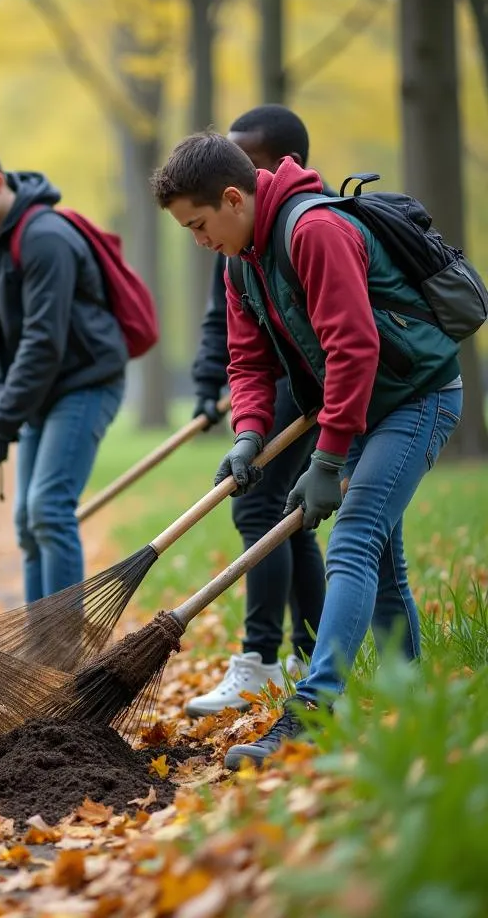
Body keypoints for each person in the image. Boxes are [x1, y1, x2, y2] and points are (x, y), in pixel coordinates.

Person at [152, 131, 461, 769]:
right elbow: (247, 360)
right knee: (380, 562)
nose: (199, 239)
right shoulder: (239, 259)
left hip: (415, 396)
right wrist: (248, 434)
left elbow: (354, 350)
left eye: (199, 224)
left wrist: (327, 459)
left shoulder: (313, 231)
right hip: (364, 405)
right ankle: (415, 706)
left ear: (234, 198)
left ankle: (312, 713)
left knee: (352, 539)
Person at [0, 139, 126, 605]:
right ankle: (41, 647)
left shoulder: (46, 238)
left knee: (49, 509)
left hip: (85, 382)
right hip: (41, 390)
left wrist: (2, 425)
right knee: (26, 518)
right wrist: (0, 395)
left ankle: (62, 654)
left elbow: (44, 341)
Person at [186, 106, 327, 717]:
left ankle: (266, 657)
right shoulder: (233, 245)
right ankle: (303, 652)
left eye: (250, 164)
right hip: (278, 377)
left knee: (263, 506)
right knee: (282, 509)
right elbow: (232, 330)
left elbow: (342, 340)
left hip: (315, 379)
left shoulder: (306, 228)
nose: (237, 176)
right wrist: (215, 394)